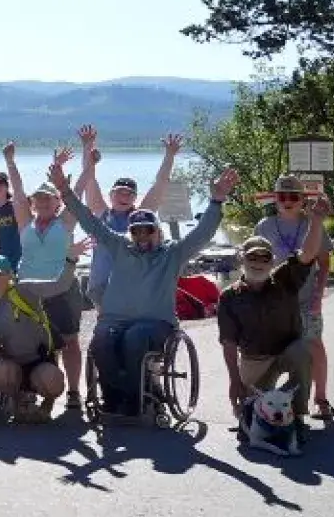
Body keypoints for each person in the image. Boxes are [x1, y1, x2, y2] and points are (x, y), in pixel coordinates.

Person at [57, 161, 235, 419]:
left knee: (136, 338)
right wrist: (65, 191)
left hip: (156, 323)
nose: (141, 236)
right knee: (101, 342)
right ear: (130, 233)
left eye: (147, 230)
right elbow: (89, 221)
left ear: (157, 232)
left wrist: (216, 201)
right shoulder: (120, 247)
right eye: (136, 231)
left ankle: (132, 397)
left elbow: (202, 234)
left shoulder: (172, 254)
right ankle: (114, 396)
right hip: (115, 319)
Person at [220, 195, 328, 425]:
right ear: (242, 260)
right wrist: (233, 380)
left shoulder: (286, 278)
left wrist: (316, 221)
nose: (258, 263)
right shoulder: (229, 296)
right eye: (252, 257)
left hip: (287, 352)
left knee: (303, 349)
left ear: (272, 261)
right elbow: (228, 342)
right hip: (255, 360)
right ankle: (254, 403)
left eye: (264, 257)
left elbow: (307, 255)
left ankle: (297, 414)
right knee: (249, 417)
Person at [0, 243, 86, 422]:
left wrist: (70, 260)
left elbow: (60, 285)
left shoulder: (25, 289)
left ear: (9, 275)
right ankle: (19, 402)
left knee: (52, 382)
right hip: (12, 365)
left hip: (41, 361)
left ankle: (47, 403)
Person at [2, 141, 87, 411]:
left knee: (70, 340)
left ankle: (73, 392)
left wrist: (88, 155)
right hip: (29, 291)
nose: (42, 202)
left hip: (61, 288)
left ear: (58, 200)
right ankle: (39, 388)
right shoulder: (25, 222)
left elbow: (80, 188)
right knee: (36, 341)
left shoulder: (66, 222)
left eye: (48, 198)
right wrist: (10, 161)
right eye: (38, 198)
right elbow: (16, 190)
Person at [252, 175, 334, 420]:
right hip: (275, 301)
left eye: (293, 197)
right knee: (273, 349)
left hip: (306, 299)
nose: (288, 201)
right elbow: (256, 263)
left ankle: (321, 400)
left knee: (314, 345)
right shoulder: (264, 226)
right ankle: (265, 401)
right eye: (282, 196)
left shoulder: (314, 223)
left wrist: (318, 296)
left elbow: (325, 264)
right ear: (275, 199)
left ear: (302, 200)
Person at [75, 127, 182, 307]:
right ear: (110, 195)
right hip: (101, 285)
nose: (124, 197)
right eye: (119, 193)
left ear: (135, 197)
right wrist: (87, 147)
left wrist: (170, 155)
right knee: (109, 329)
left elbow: (161, 183)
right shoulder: (101, 212)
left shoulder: (141, 216)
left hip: (136, 285)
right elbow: (90, 179)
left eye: (129, 194)